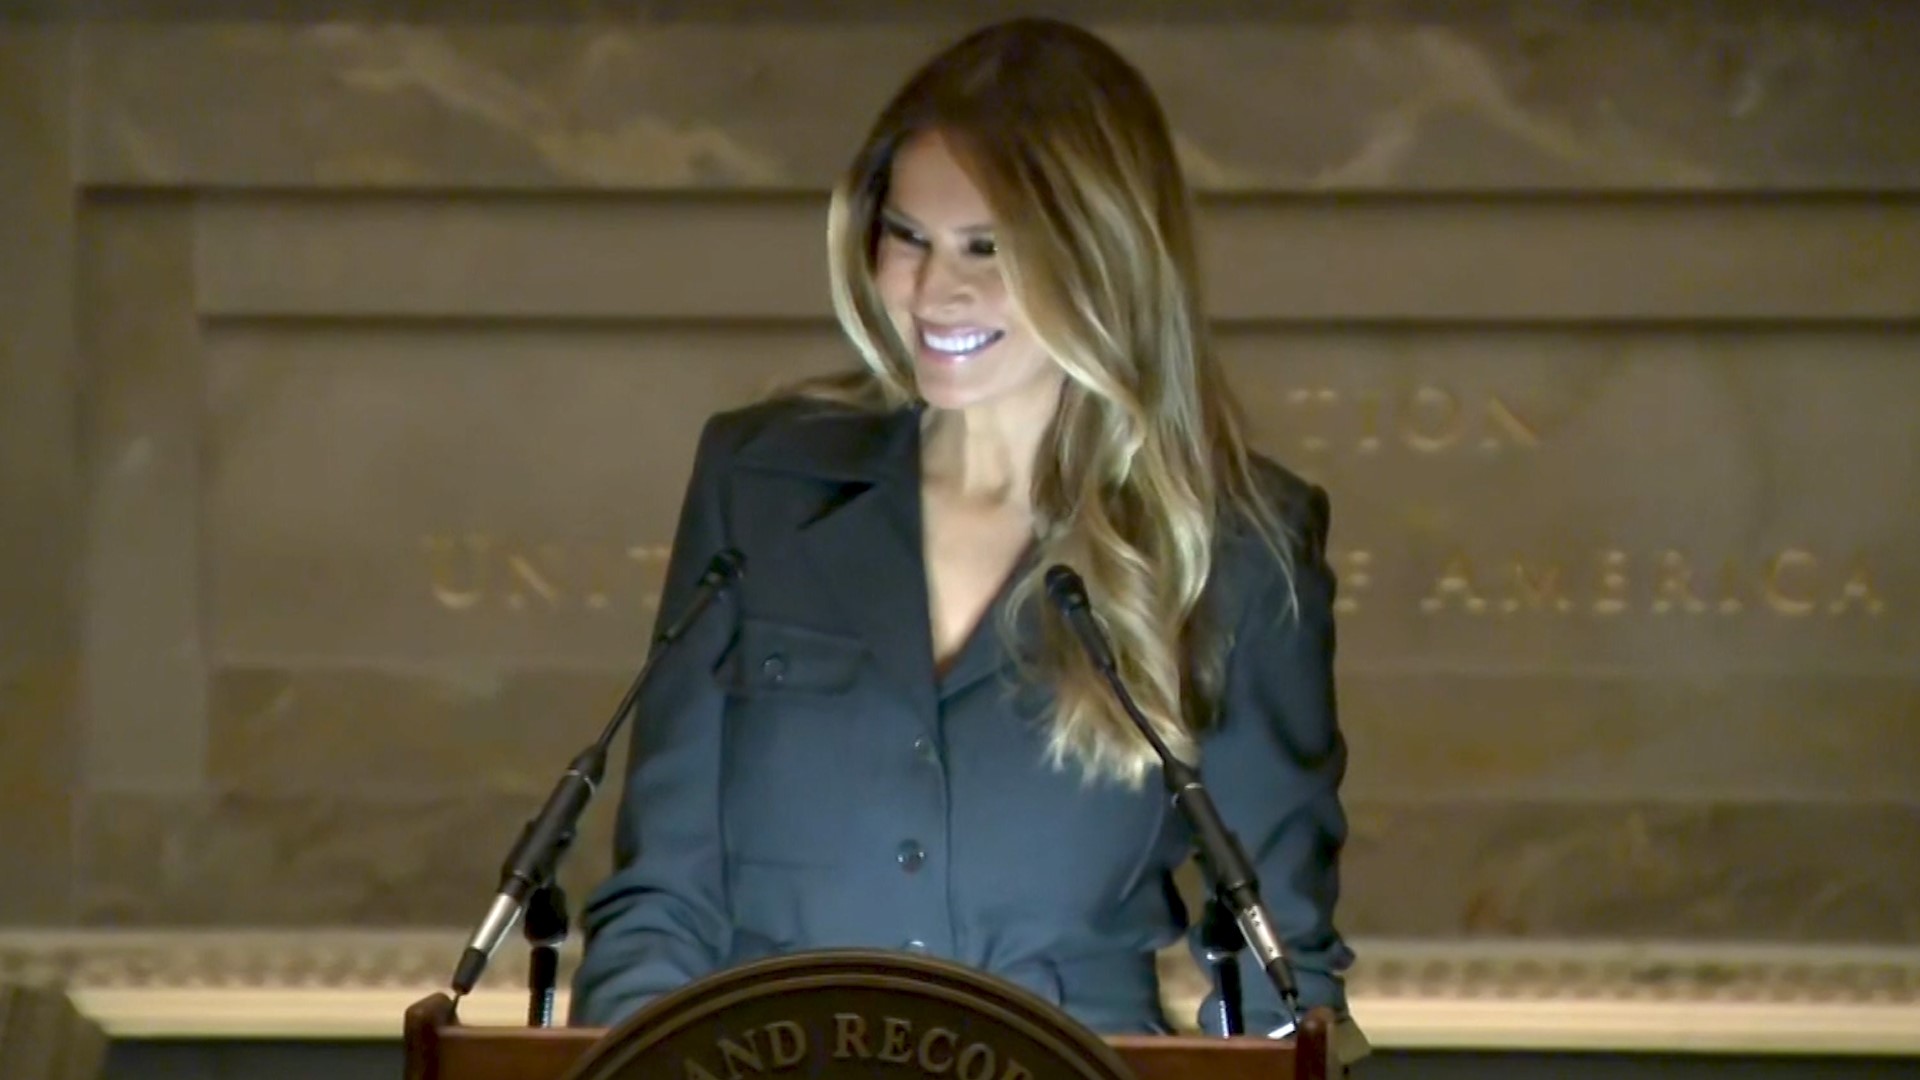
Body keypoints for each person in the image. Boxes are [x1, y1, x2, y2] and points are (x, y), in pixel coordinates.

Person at [570, 16, 1354, 1039]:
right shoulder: (757, 483)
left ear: (1104, 257)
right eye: (910, 237)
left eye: (990, 247)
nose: (938, 291)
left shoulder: (1241, 544)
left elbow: (1280, 973)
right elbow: (661, 900)